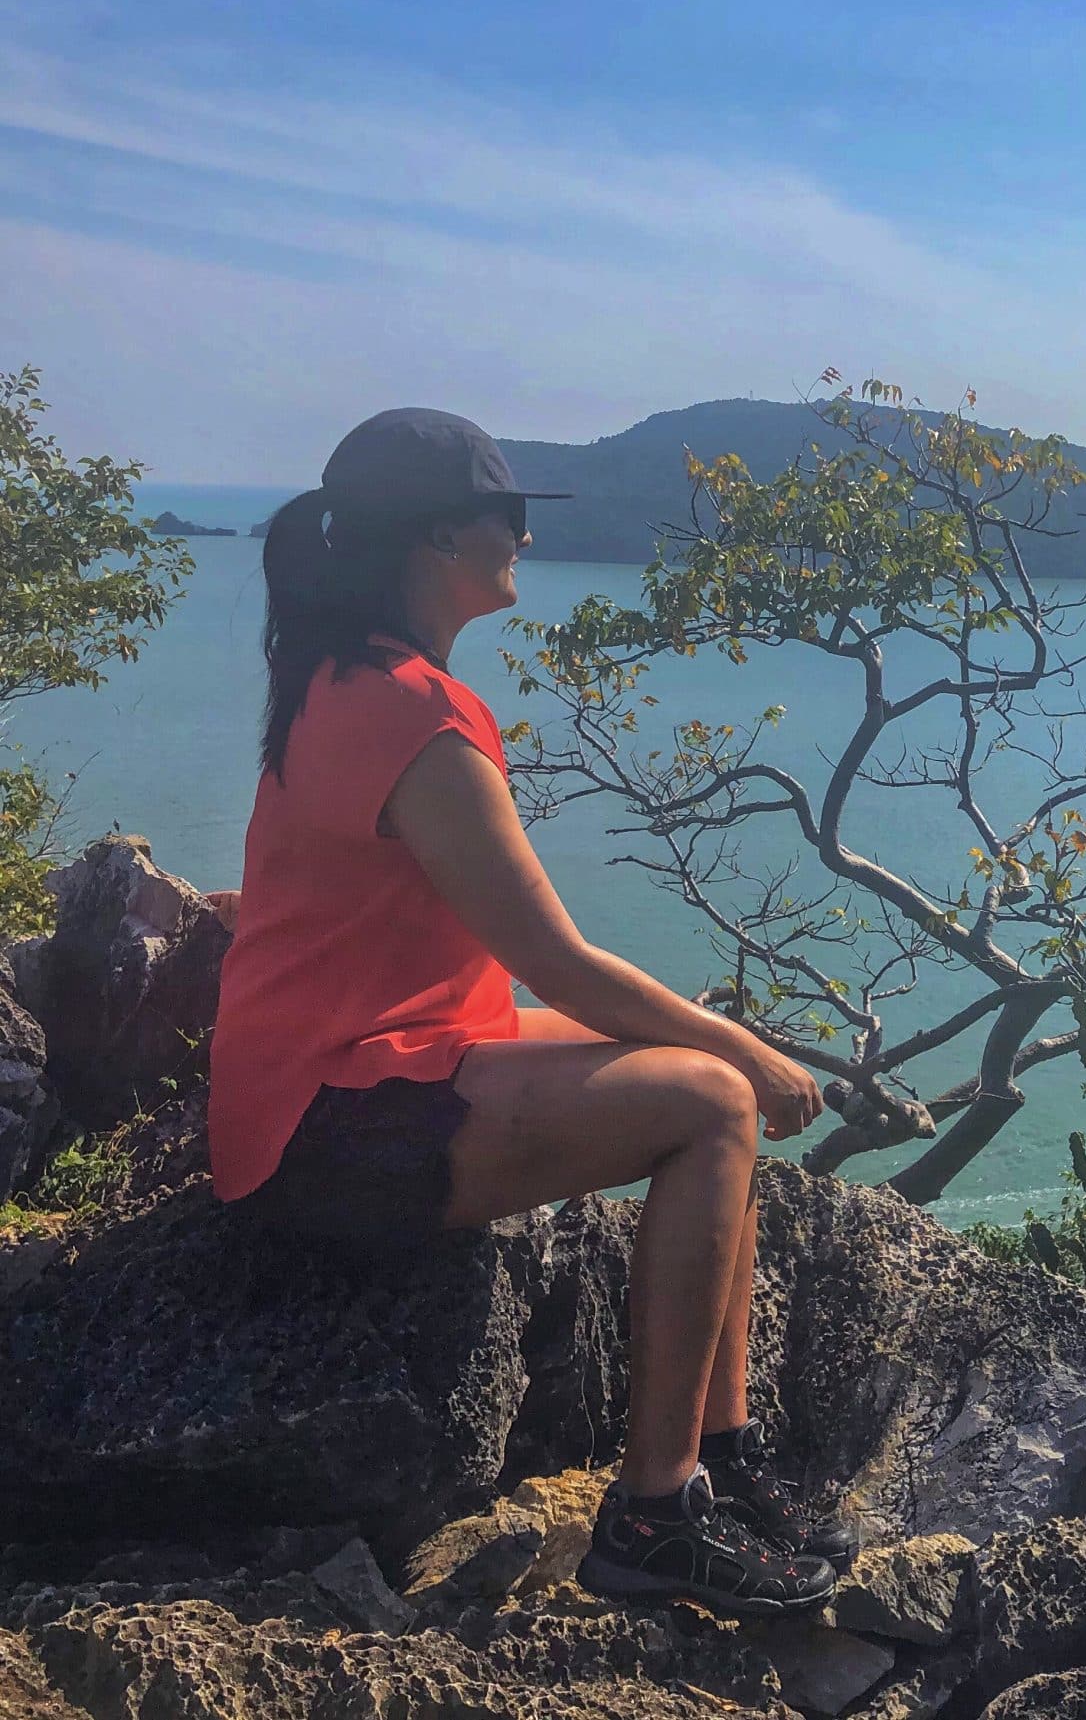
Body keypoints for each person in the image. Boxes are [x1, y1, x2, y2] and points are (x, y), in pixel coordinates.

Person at [205, 406, 854, 1615]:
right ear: (440, 536)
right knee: (713, 1099)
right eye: (506, 514)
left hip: (352, 1072)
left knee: (697, 1080)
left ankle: (719, 1457)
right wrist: (750, 1048)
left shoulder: (345, 677)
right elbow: (556, 963)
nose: (522, 538)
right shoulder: (412, 713)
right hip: (326, 1129)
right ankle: (654, 1516)